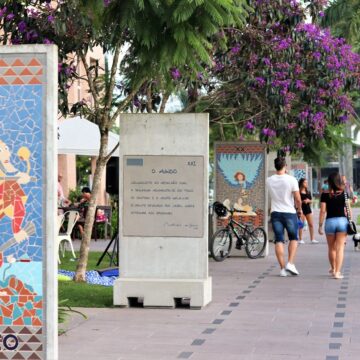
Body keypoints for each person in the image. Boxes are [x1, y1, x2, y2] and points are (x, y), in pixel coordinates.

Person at [267, 157, 302, 277]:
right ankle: (290, 263)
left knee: (279, 239)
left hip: (275, 212)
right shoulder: (291, 180)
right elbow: (297, 198)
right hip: (289, 212)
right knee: (293, 238)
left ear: (275, 166)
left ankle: (282, 269)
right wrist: (299, 210)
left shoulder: (269, 180)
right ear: (285, 166)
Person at [319, 172, 349, 279]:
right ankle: (337, 272)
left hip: (330, 222)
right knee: (340, 248)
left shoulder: (325, 194)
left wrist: (320, 225)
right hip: (342, 221)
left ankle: (333, 268)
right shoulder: (344, 193)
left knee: (331, 248)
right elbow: (347, 209)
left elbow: (322, 211)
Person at [298, 178, 318, 244]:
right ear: (301, 183)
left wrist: (308, 201)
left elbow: (311, 200)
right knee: (301, 225)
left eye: (306, 182)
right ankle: (300, 239)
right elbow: (297, 201)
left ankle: (312, 239)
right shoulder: (298, 192)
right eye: (305, 182)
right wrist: (303, 201)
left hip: (308, 209)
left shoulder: (308, 191)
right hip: (301, 209)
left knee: (311, 224)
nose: (306, 184)